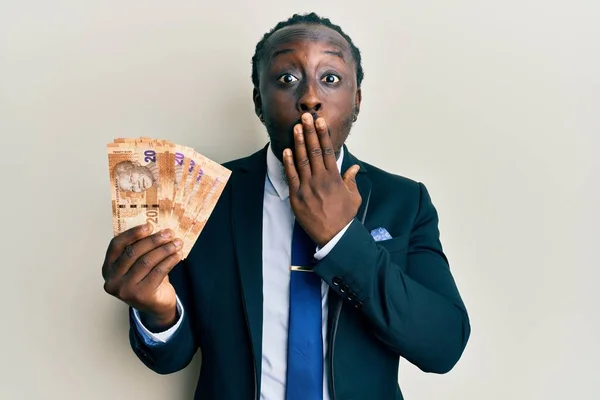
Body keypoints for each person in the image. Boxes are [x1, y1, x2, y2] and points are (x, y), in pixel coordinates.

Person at [101, 12, 471, 400]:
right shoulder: (205, 196)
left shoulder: (404, 201)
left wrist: (341, 241)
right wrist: (158, 312)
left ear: (357, 99)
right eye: (287, 79)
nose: (310, 97)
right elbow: (170, 358)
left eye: (330, 78)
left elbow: (443, 346)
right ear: (259, 100)